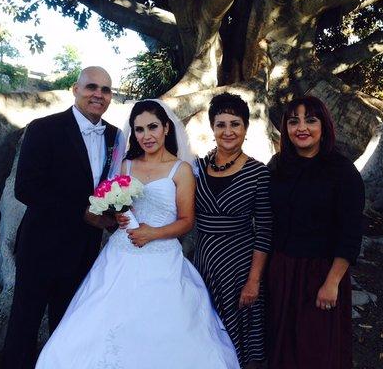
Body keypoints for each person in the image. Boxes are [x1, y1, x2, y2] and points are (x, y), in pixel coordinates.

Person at [35, 99, 240, 368]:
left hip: (162, 258)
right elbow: (109, 208)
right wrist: (115, 215)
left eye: (153, 127)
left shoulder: (182, 170)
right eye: (139, 129)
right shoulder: (126, 166)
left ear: (166, 128)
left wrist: (153, 233)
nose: (146, 136)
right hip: (120, 255)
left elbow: (187, 221)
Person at [3, 66, 126, 369]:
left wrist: (115, 213)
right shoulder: (44, 128)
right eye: (92, 87)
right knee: (24, 323)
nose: (98, 94)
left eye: (105, 90)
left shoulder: (115, 137)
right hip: (41, 246)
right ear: (75, 89)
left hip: (85, 249)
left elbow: (115, 185)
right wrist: (81, 211)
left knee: (69, 324)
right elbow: (26, 188)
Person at [266, 96, 365, 369]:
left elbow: (351, 232)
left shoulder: (342, 171)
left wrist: (332, 282)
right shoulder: (278, 166)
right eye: (293, 120)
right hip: (282, 270)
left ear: (324, 126)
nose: (302, 127)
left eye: (311, 119)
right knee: (283, 346)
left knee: (316, 349)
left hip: (321, 273)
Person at [194, 93, 272, 368]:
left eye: (235, 124)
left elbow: (264, 230)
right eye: (221, 124)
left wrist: (254, 280)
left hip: (238, 266)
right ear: (212, 128)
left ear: (246, 128)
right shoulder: (198, 168)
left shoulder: (258, 173)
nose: (228, 131)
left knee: (239, 335)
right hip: (202, 263)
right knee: (204, 329)